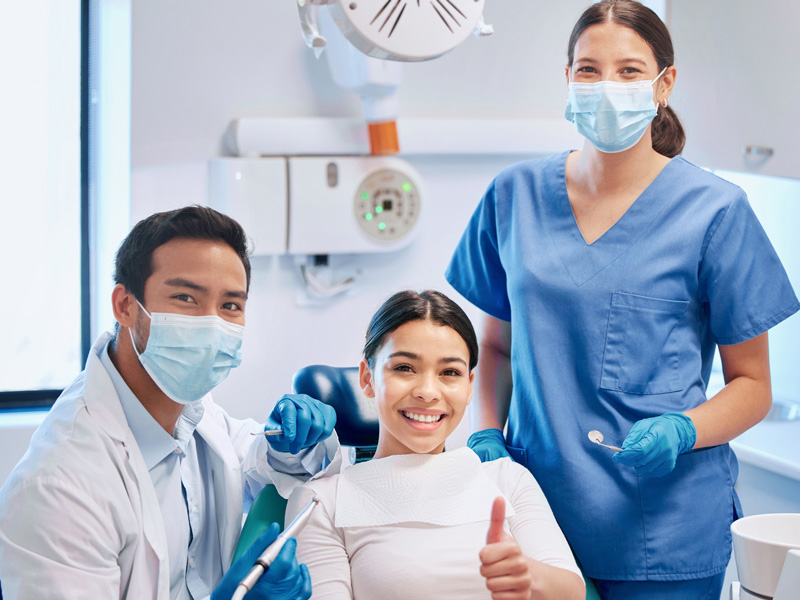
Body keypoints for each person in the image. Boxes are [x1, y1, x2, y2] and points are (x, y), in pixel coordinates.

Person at [445, 1, 800, 599]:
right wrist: (485, 435)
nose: (607, 86)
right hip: (537, 512)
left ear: (665, 84)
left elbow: (752, 386)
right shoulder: (514, 196)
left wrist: (683, 430)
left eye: (630, 71)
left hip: (663, 529)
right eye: (589, 69)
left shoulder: (715, 211)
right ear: (567, 80)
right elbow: (497, 349)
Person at [0, 206, 341, 600]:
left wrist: (291, 445)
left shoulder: (190, 408)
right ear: (125, 306)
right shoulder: (58, 486)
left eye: (231, 305)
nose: (212, 324)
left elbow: (255, 463)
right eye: (185, 297)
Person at [286, 290, 585, 600]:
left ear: (470, 387)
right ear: (367, 378)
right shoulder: (322, 501)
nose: (428, 392)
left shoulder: (508, 480)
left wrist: (528, 574)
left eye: (450, 372)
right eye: (404, 367)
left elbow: (573, 592)